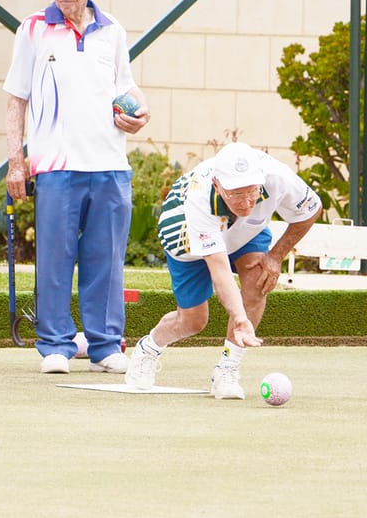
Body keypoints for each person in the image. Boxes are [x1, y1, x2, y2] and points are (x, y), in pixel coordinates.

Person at [3, 0, 150, 375]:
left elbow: (128, 87)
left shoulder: (113, 31)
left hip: (110, 163)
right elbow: (16, 98)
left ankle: (105, 347)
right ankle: (54, 345)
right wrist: (17, 161)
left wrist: (143, 114)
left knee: (106, 260)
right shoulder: (32, 29)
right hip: (55, 165)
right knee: (54, 258)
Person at [125, 142, 322, 398]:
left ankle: (228, 369)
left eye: (252, 192)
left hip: (247, 232)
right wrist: (240, 319)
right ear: (218, 185)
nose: (246, 201)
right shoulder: (199, 199)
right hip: (186, 237)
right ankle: (149, 348)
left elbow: (310, 209)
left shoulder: (276, 177)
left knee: (258, 276)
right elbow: (220, 272)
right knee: (194, 321)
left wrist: (276, 256)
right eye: (236, 194)